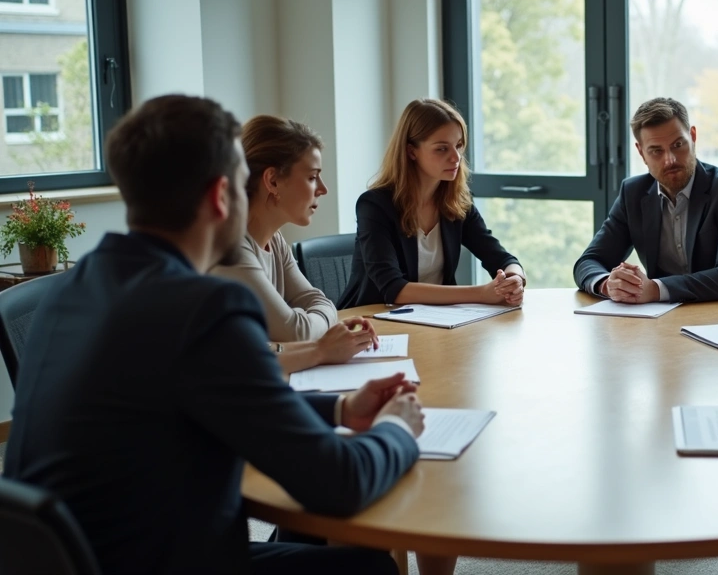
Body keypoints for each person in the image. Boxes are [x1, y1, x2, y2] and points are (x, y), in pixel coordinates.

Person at [4, 95, 427, 575]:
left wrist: (340, 407)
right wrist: (398, 427)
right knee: (367, 566)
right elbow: (341, 482)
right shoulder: (203, 310)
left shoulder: (71, 289)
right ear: (221, 196)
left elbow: (220, 390)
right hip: (164, 563)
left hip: (78, 559)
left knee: (313, 527)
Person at [211, 114, 378, 372]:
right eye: (312, 177)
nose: (323, 189)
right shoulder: (232, 248)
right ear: (273, 181)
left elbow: (318, 301)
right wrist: (322, 332)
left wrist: (319, 327)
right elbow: (295, 333)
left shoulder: (274, 239)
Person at [573, 97, 718, 303]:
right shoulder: (633, 193)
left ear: (692, 136)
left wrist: (654, 289)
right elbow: (589, 261)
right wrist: (608, 285)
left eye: (678, 144)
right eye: (656, 151)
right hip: (663, 320)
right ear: (641, 153)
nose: (670, 159)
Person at [339, 98, 526, 309]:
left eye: (458, 146)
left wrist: (514, 279)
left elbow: (502, 258)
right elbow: (394, 289)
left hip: (435, 321)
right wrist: (481, 293)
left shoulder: (457, 203)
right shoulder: (375, 205)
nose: (456, 158)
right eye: (442, 149)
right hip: (373, 323)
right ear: (412, 152)